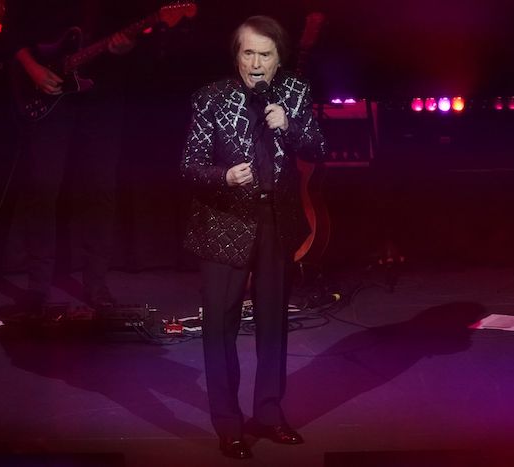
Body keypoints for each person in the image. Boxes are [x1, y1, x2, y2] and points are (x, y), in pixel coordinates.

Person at [180, 15, 326, 459]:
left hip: (275, 221)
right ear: (237, 56)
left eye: (265, 54)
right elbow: (189, 164)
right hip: (225, 222)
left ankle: (269, 412)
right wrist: (224, 175)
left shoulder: (295, 94)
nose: (256, 63)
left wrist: (290, 126)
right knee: (219, 325)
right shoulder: (212, 97)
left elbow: (319, 149)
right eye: (248, 53)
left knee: (272, 321)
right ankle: (228, 423)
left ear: (279, 59)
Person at [4, 1, 138, 313]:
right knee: (42, 188)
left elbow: (134, 32)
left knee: (101, 190)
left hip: (101, 99)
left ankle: (97, 283)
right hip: (50, 95)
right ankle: (38, 284)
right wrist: (34, 70)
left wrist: (125, 46)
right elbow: (12, 32)